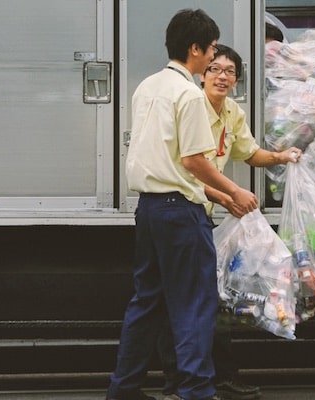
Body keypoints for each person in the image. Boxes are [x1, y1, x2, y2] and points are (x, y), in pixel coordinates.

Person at [107, 10, 258, 400]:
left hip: (150, 210)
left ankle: (123, 390)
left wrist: (222, 195)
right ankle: (196, 391)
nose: (213, 58)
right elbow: (193, 161)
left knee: (147, 303)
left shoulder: (147, 86)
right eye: (210, 50)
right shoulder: (189, 94)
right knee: (193, 306)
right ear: (195, 49)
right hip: (181, 212)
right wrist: (235, 191)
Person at [158, 44, 301, 400]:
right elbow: (184, 169)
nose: (223, 77)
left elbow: (249, 153)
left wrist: (282, 156)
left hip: (203, 214)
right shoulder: (192, 106)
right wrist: (227, 196)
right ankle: (180, 381)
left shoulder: (232, 112)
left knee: (212, 299)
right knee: (184, 301)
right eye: (216, 69)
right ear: (203, 73)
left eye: (230, 72)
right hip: (183, 208)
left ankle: (215, 376)